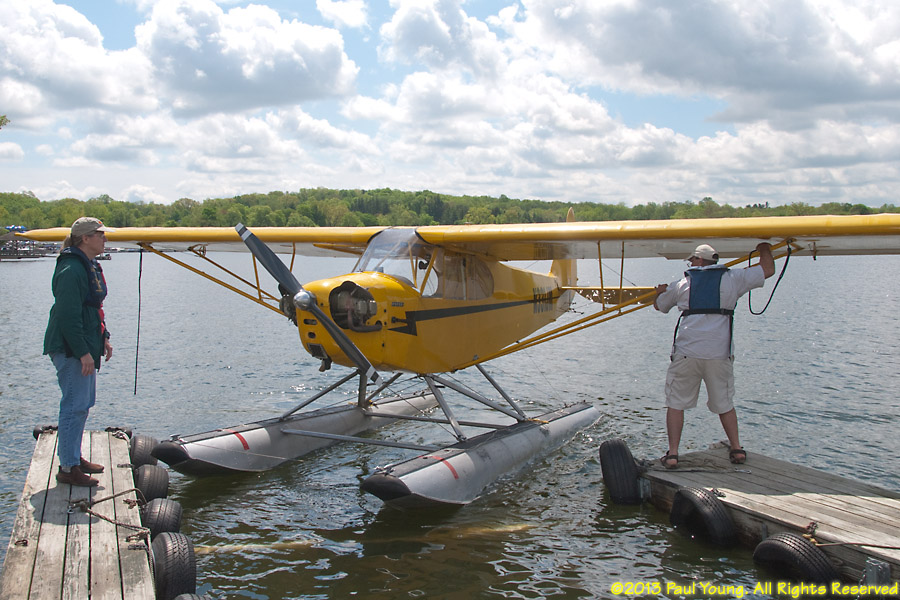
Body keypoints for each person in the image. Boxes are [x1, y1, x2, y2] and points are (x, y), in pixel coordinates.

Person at [653, 242, 774, 469]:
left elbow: (660, 306)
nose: (690, 264)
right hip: (719, 354)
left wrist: (660, 293)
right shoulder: (734, 278)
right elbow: (768, 269)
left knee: (676, 403)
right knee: (724, 403)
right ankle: (736, 448)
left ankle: (673, 453)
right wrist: (764, 247)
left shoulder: (682, 284)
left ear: (699, 260)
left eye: (692, 260)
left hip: (687, 353)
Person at [44, 217, 114, 486]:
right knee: (74, 405)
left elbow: (92, 309)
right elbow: (67, 315)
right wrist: (83, 352)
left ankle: (73, 457)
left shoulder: (88, 264)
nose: (104, 239)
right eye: (100, 235)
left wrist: (103, 337)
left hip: (84, 344)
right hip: (70, 348)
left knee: (83, 405)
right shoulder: (71, 268)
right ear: (85, 238)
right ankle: (67, 468)